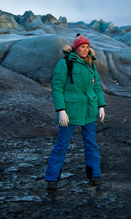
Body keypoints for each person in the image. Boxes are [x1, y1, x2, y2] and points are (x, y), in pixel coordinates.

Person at [45, 34, 106, 190]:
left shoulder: (91, 64)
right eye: (82, 47)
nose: (85, 50)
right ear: (76, 48)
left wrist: (101, 105)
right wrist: (61, 110)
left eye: (87, 47)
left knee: (91, 144)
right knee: (62, 144)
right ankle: (52, 178)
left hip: (89, 111)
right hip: (70, 111)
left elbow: (96, 87)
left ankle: (95, 175)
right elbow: (57, 87)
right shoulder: (65, 63)